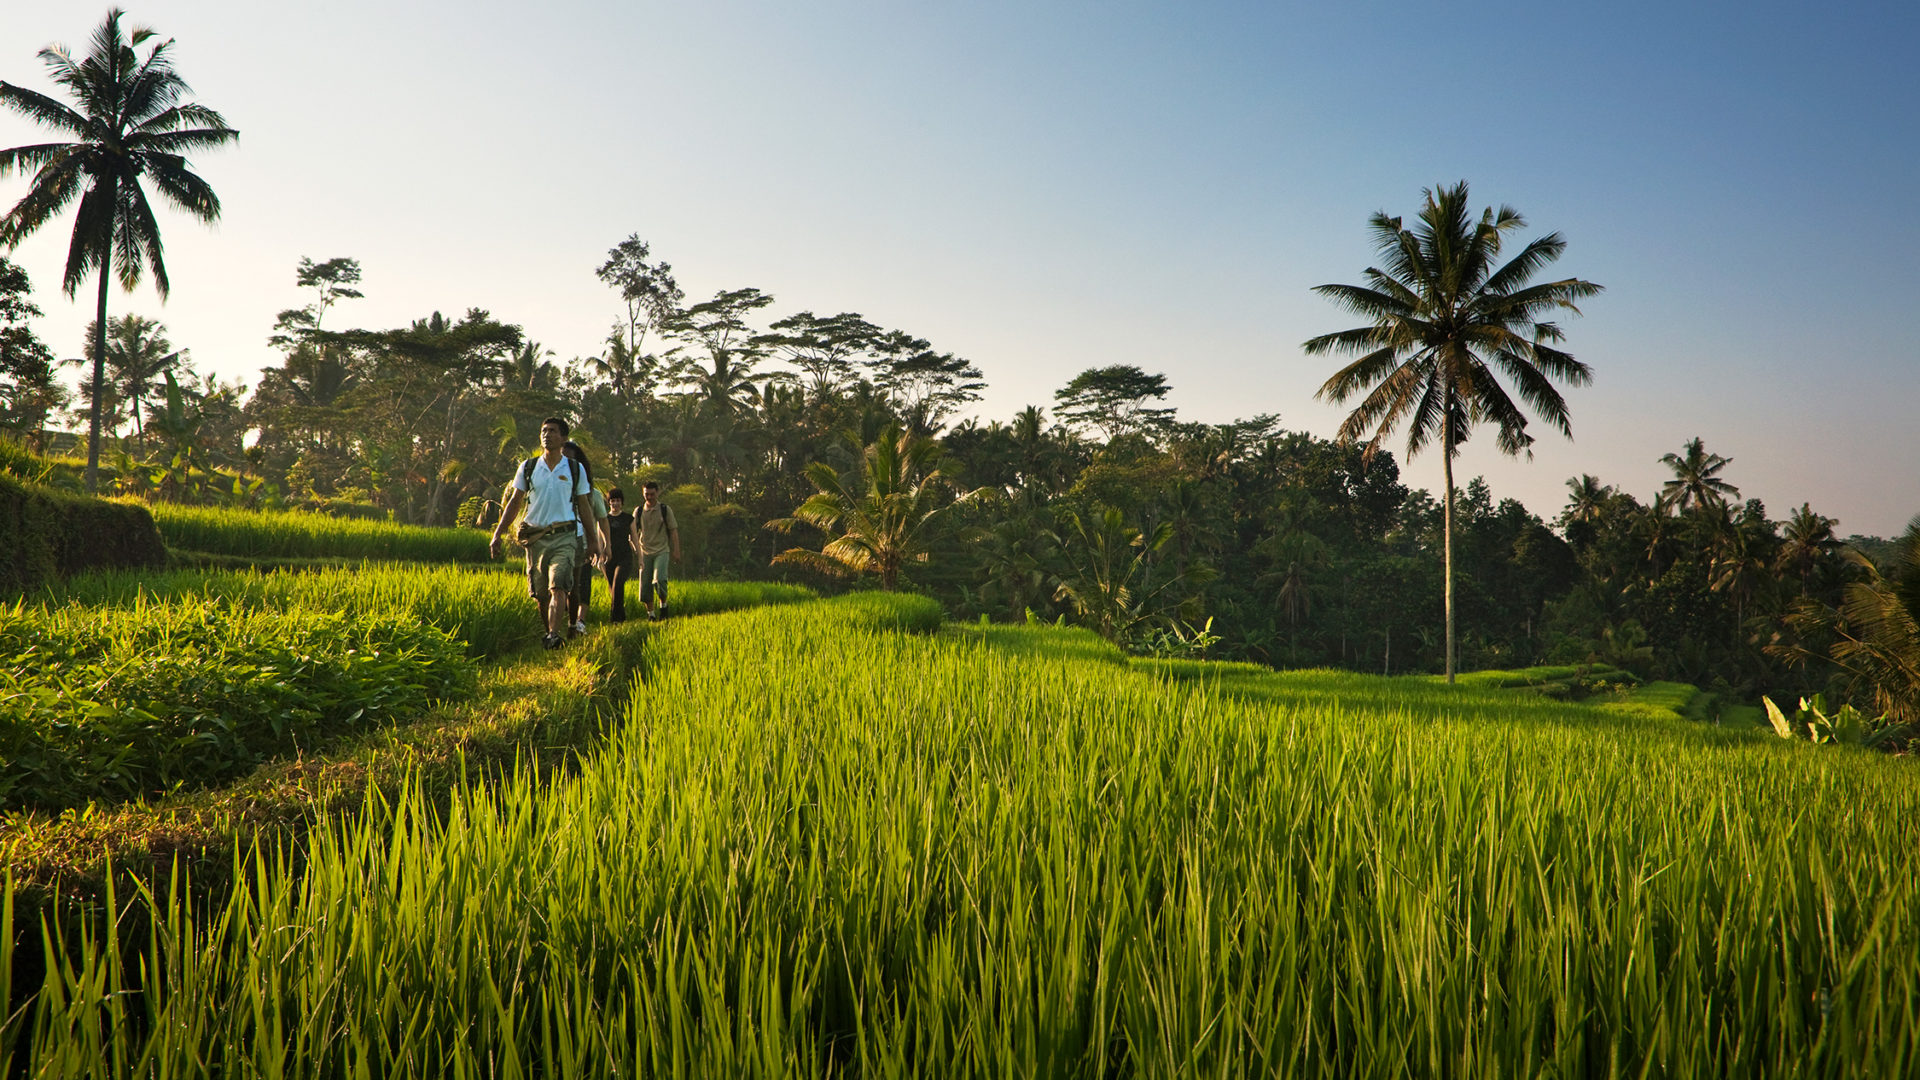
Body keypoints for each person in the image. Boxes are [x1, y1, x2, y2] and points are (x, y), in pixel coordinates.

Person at [489, 418, 604, 649]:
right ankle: (550, 632)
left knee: (558, 585)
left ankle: (553, 635)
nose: (547, 435)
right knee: (541, 595)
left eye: (552, 431)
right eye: (544, 431)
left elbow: (584, 506)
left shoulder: (574, 468)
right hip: (535, 538)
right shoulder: (528, 467)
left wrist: (593, 541)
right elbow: (515, 502)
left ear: (563, 438)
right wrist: (498, 533)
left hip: (565, 536)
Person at [563, 441, 610, 637]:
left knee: (582, 584)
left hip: (583, 545)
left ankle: (579, 622)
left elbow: (602, 519)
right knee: (561, 585)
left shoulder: (593, 493)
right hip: (559, 542)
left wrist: (604, 545)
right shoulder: (556, 489)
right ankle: (564, 624)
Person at [632, 480, 681, 620]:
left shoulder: (665, 509)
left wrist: (676, 550)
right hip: (644, 551)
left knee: (660, 580)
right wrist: (635, 549)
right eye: (647, 494)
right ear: (643, 494)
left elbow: (673, 531)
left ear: (657, 493)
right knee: (645, 585)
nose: (649, 497)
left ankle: (663, 605)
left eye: (652, 494)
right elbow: (633, 532)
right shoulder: (639, 511)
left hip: (662, 550)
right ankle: (651, 614)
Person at [603, 487, 636, 622]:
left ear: (622, 502)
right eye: (612, 501)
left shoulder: (629, 518)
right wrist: (598, 556)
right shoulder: (604, 519)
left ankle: (614, 619)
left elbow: (634, 537)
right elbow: (600, 539)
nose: (615, 503)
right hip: (609, 558)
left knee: (618, 583)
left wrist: (640, 557)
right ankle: (621, 618)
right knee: (613, 588)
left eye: (618, 500)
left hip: (625, 557)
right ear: (609, 502)